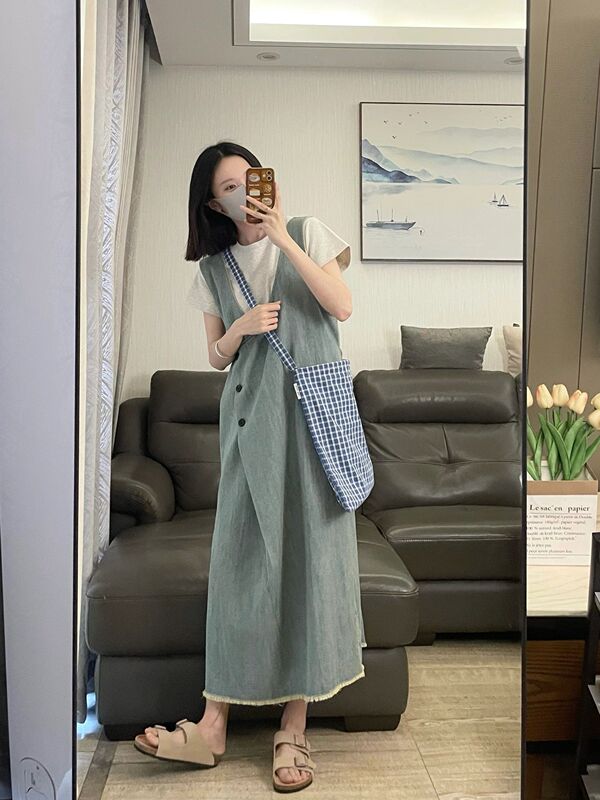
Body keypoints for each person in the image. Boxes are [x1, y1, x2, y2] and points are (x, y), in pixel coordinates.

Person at [133, 141, 367, 793]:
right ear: (214, 206)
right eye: (229, 188)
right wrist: (241, 328)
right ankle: (212, 727)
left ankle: (294, 728)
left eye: (251, 177)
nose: (246, 192)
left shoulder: (308, 232)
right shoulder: (213, 268)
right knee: (237, 568)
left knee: (307, 563)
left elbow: (341, 305)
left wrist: (283, 238)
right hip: (247, 421)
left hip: (310, 422)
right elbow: (215, 355)